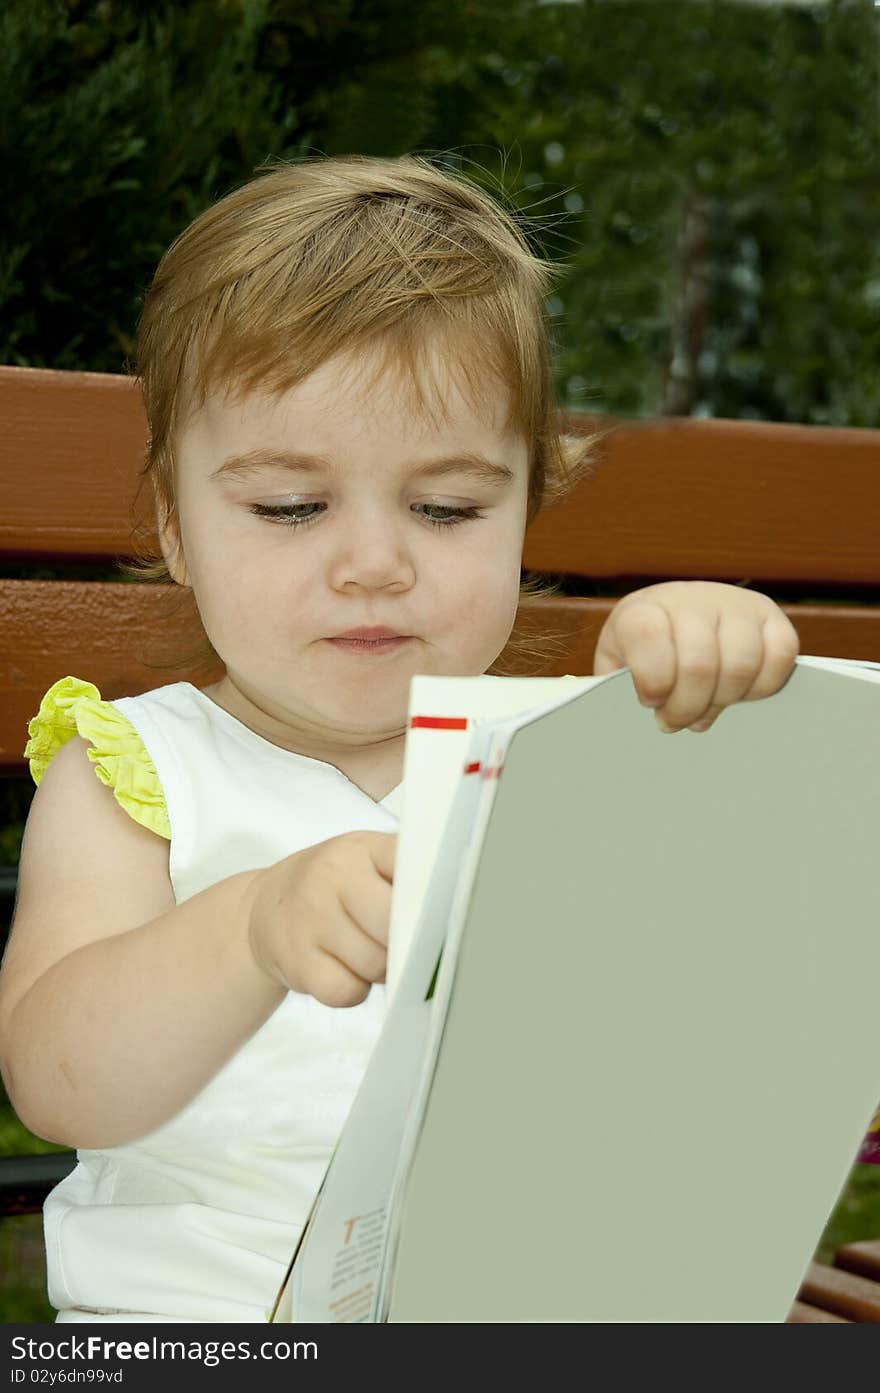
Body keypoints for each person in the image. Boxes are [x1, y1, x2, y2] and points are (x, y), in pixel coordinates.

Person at [0, 154, 802, 1323]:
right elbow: (56, 1080)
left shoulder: (561, 752)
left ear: (527, 510)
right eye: (289, 505)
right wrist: (248, 929)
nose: (374, 562)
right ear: (177, 527)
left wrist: (702, 682)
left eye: (445, 508)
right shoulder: (140, 768)